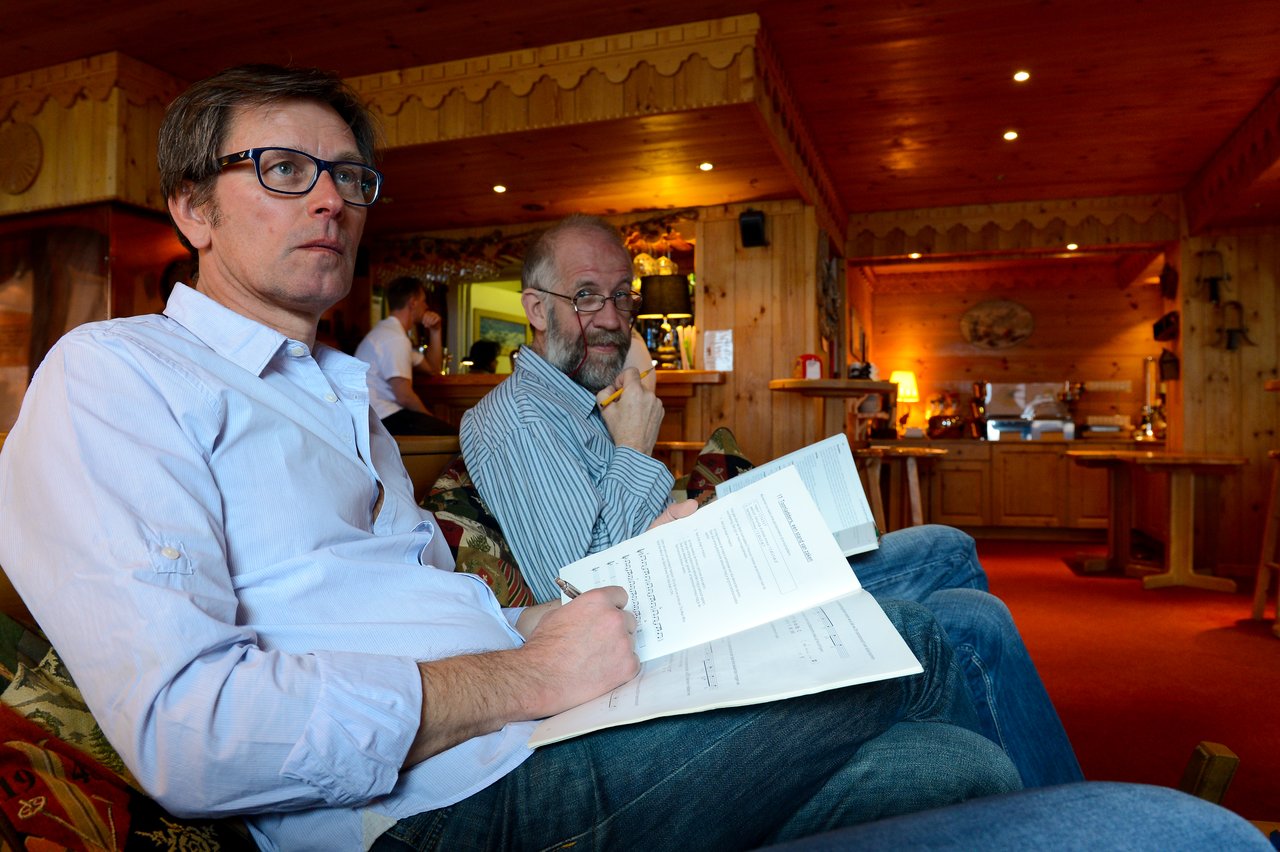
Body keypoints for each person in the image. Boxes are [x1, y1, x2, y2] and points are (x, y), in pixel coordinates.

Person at [0, 64, 1022, 852]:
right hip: (434, 810)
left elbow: (438, 603)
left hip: (536, 726)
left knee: (953, 765)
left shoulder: (339, 396)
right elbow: (193, 734)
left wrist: (560, 622)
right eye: (283, 170)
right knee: (923, 636)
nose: (330, 202)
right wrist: (530, 671)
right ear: (192, 209)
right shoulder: (116, 375)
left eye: (348, 177)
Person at [460, 214, 1083, 789]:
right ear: (536, 309)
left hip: (695, 586)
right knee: (958, 581)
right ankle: (1051, 813)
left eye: (622, 296)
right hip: (670, 629)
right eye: (586, 295)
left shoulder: (581, 401)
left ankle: (1021, 804)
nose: (611, 319)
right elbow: (581, 593)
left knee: (959, 585)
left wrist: (724, 513)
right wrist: (634, 447)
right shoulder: (517, 419)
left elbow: (619, 529)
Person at [355, 275, 455, 435]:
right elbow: (404, 396)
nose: (426, 306)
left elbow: (432, 368)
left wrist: (436, 331)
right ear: (413, 303)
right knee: (452, 437)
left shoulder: (389, 332)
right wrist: (429, 417)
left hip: (374, 416)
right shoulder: (394, 338)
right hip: (380, 418)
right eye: (423, 301)